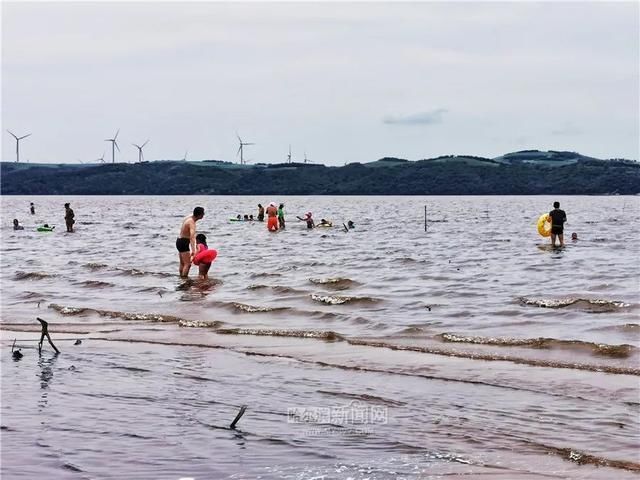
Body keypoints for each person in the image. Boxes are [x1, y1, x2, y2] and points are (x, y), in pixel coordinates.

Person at [176, 206, 204, 278]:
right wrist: (194, 250)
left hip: (179, 241)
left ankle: (181, 277)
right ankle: (184, 279)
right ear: (200, 215)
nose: (204, 215)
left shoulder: (188, 218)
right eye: (203, 214)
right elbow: (192, 237)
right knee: (187, 264)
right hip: (184, 242)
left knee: (182, 263)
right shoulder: (191, 223)